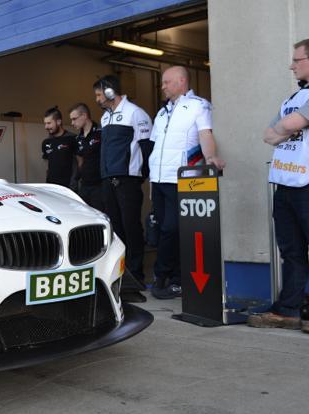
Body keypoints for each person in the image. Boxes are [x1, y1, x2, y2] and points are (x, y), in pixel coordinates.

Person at [249, 36, 309, 335]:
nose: (291, 66)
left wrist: (288, 126)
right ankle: (288, 310)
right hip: (287, 184)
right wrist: (289, 125)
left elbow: (286, 126)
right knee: (291, 252)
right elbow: (268, 135)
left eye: (296, 60)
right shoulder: (294, 99)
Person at [148, 66, 226, 299]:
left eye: (166, 82)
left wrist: (211, 157)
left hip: (182, 179)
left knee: (174, 229)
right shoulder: (162, 114)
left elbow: (205, 134)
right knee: (164, 229)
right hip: (159, 180)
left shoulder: (198, 105)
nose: (162, 86)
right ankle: (169, 277)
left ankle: (169, 277)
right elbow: (155, 145)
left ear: (181, 81)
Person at [94, 75, 153, 303]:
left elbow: (147, 148)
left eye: (99, 94)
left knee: (131, 228)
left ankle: (136, 276)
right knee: (116, 231)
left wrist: (140, 177)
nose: (97, 99)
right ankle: (121, 276)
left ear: (110, 92)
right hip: (108, 181)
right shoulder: (105, 118)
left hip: (128, 180)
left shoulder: (135, 113)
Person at [69, 103, 104, 212]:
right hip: (84, 185)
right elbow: (80, 161)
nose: (72, 123)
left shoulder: (101, 132)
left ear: (84, 116)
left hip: (100, 185)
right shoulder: (78, 138)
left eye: (74, 119)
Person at [41, 106, 77, 188]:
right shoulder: (46, 142)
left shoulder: (73, 139)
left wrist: (74, 182)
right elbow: (48, 165)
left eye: (49, 123)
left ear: (59, 122)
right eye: (45, 123)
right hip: (51, 187)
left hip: (69, 188)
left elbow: (80, 163)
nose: (46, 127)